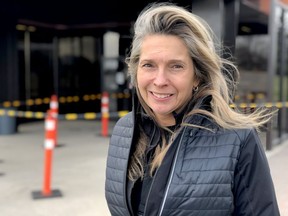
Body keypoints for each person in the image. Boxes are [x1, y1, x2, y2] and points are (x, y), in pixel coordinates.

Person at [105, 2, 280, 216]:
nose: (160, 81)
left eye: (176, 66)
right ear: (136, 70)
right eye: (148, 65)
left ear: (197, 75)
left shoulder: (238, 138)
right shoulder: (124, 130)